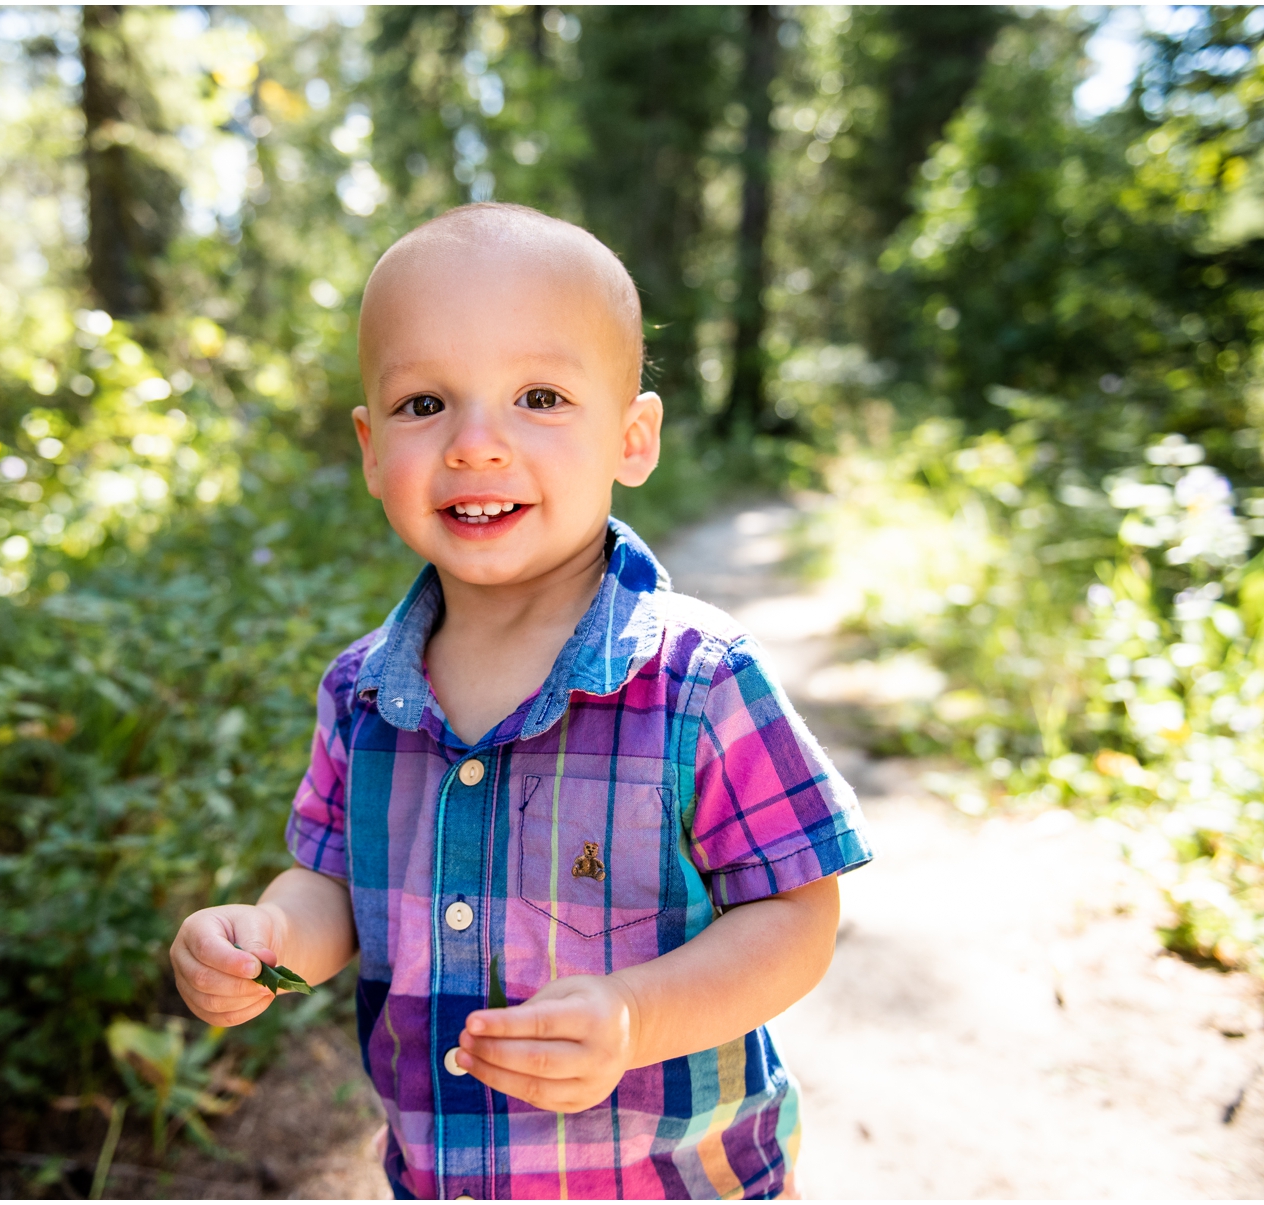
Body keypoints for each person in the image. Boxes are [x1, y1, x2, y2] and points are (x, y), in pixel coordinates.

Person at [169, 203, 872, 1200]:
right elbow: (332, 883)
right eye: (424, 405)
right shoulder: (361, 691)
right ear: (371, 449)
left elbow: (797, 911)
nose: (475, 443)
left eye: (539, 395)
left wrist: (638, 1015)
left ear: (633, 436)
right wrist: (265, 936)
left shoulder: (698, 679)